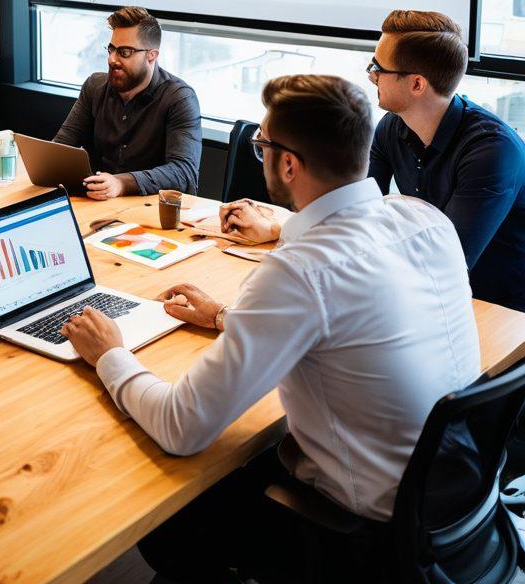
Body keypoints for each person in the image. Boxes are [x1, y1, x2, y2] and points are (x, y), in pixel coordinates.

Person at [62, 74, 479, 582]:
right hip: (455, 499)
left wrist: (110, 353)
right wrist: (224, 317)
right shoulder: (425, 219)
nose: (259, 154)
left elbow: (181, 427)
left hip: (362, 535)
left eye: (261, 145)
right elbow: (344, 327)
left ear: (288, 164)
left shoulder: (300, 270)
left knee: (169, 520)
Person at [368, 9, 525, 311]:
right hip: (430, 292)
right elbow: (360, 215)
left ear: (416, 84)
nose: (372, 76)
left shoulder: (491, 151)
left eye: (378, 68)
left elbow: (447, 262)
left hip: (501, 309)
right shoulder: (392, 126)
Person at [52, 6, 201, 199]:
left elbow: (183, 172)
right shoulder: (94, 87)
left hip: (149, 207)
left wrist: (122, 183)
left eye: (125, 52)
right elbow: (60, 147)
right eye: (111, 49)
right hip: (96, 202)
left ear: (151, 55)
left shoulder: (179, 98)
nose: (112, 59)